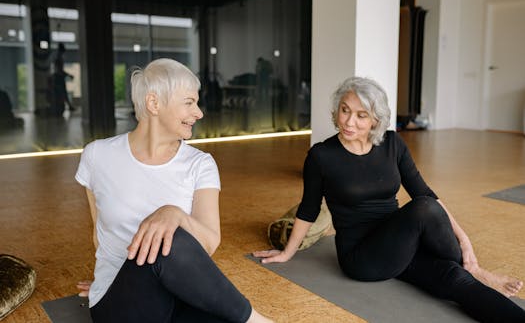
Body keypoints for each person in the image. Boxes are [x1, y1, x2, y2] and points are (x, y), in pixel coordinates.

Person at [254, 77, 525, 322]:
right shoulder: (321, 156)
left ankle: (473, 270)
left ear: (376, 119)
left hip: (402, 241)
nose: (349, 122)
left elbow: (425, 192)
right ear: (336, 110)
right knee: (423, 208)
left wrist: (466, 244)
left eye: (361, 115)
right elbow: (309, 208)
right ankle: (473, 268)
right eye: (345, 110)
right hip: (362, 255)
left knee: (455, 278)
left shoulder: (392, 144)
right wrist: (287, 253)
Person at [75, 58, 272, 323]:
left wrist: (175, 214)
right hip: (118, 301)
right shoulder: (97, 155)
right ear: (154, 103)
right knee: (166, 239)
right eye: (189, 102)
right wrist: (115, 281)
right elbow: (100, 235)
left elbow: (209, 243)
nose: (199, 113)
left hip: (176, 294)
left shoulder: (200, 164)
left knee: (224, 315)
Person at [50, 43, 75, 116]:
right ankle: (66, 106)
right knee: (62, 92)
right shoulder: (58, 58)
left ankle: (68, 106)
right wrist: (68, 75)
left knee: (62, 93)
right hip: (58, 77)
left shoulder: (57, 57)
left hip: (58, 77)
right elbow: (59, 70)